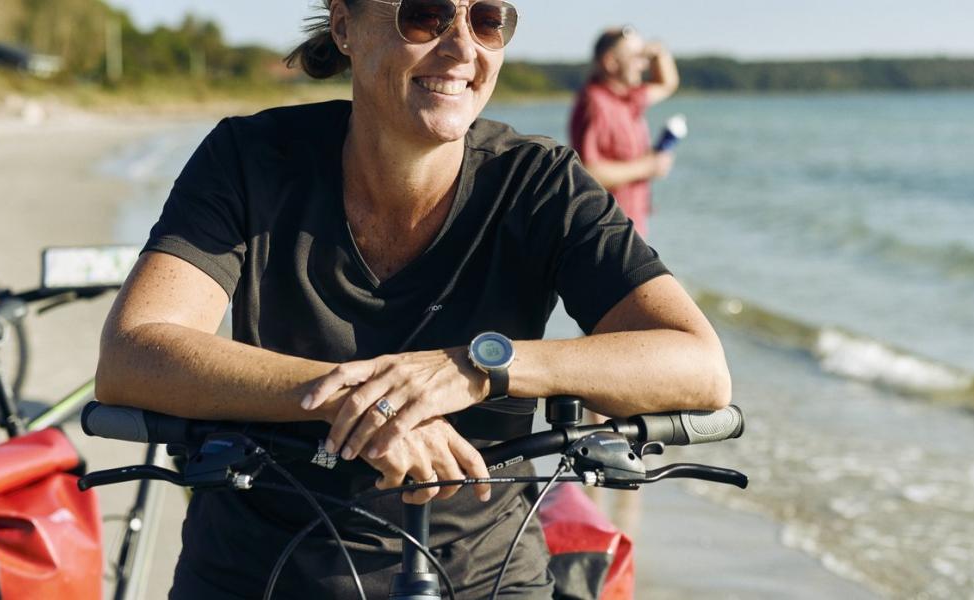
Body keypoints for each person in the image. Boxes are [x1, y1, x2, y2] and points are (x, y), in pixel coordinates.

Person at [94, 1, 729, 598]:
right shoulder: (250, 158)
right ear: (344, 25)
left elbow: (698, 366)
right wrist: (366, 402)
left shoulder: (541, 184)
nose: (461, 48)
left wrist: (478, 368)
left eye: (487, 19)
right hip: (259, 568)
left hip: (486, 573)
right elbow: (133, 351)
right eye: (423, 15)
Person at [568, 26, 680, 239]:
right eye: (637, 57)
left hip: (632, 226)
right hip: (605, 230)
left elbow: (668, 84)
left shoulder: (630, 98)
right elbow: (588, 172)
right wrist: (648, 166)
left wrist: (659, 52)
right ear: (611, 62)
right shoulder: (594, 103)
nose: (644, 64)